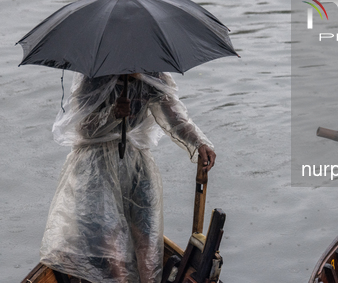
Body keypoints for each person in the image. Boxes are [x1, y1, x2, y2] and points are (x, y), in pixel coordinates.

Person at [40, 72, 216, 283]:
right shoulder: (93, 76)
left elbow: (175, 116)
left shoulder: (154, 73)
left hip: (136, 163)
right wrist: (111, 114)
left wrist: (200, 142)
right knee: (111, 244)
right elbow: (81, 127)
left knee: (148, 240)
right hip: (98, 165)